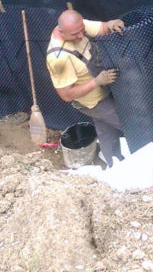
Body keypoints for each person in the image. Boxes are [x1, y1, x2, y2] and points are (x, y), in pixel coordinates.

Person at [46, 9, 126, 165]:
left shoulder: (76, 27)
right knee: (127, 123)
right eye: (75, 35)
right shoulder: (58, 58)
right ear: (62, 32)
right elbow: (66, 95)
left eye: (82, 31)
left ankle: (113, 162)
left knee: (105, 130)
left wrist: (112, 24)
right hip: (94, 102)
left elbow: (101, 28)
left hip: (104, 88)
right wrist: (97, 81)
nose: (81, 36)